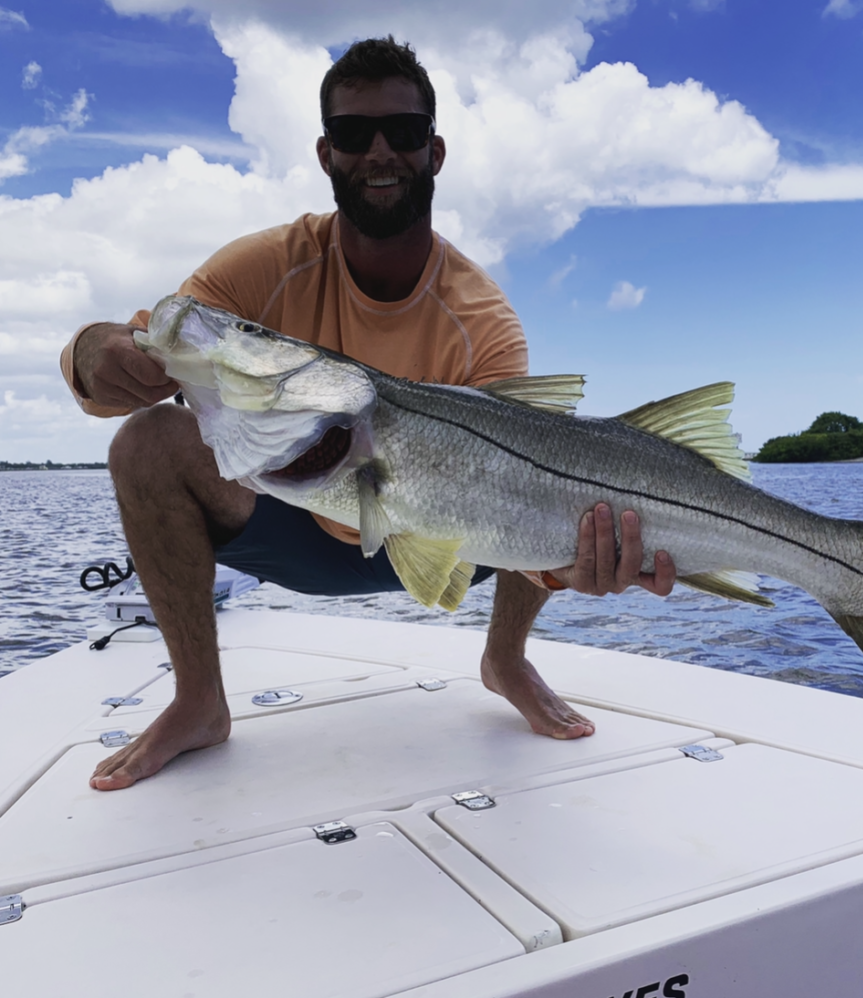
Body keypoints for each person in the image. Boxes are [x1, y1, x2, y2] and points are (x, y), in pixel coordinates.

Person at [60, 37, 677, 792]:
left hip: (456, 534)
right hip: (301, 522)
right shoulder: (264, 265)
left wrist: (570, 565)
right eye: (355, 135)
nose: (380, 151)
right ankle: (198, 701)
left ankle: (505, 658)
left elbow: (529, 492)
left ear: (435, 150)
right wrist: (93, 350)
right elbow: (149, 339)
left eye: (404, 132)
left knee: (541, 474)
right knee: (146, 441)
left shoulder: (481, 316)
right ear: (326, 153)